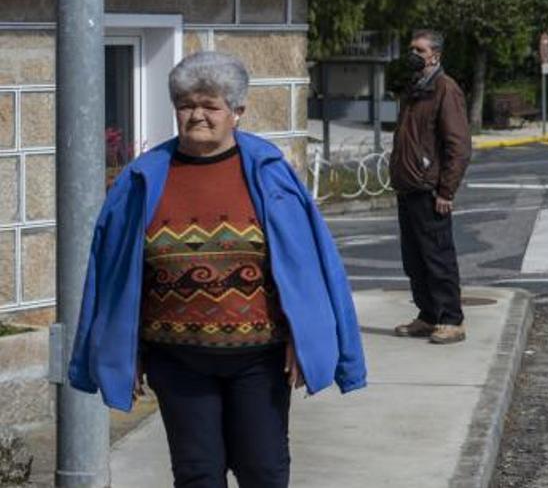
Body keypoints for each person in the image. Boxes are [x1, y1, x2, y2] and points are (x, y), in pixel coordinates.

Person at [68, 51, 367, 488]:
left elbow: (308, 267)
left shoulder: (271, 176)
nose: (197, 116)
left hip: (260, 359)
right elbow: (112, 278)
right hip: (176, 358)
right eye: (187, 105)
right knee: (196, 475)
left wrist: (300, 334)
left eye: (210, 106)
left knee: (263, 471)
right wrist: (122, 347)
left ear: (237, 112)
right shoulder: (142, 180)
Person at [390, 29, 472, 344]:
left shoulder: (444, 89)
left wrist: (446, 191)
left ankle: (451, 319)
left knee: (438, 258)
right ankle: (427, 315)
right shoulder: (414, 88)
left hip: (429, 188)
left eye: (419, 51)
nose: (413, 55)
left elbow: (458, 146)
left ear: (435, 55)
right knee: (414, 259)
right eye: (411, 49)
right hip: (408, 186)